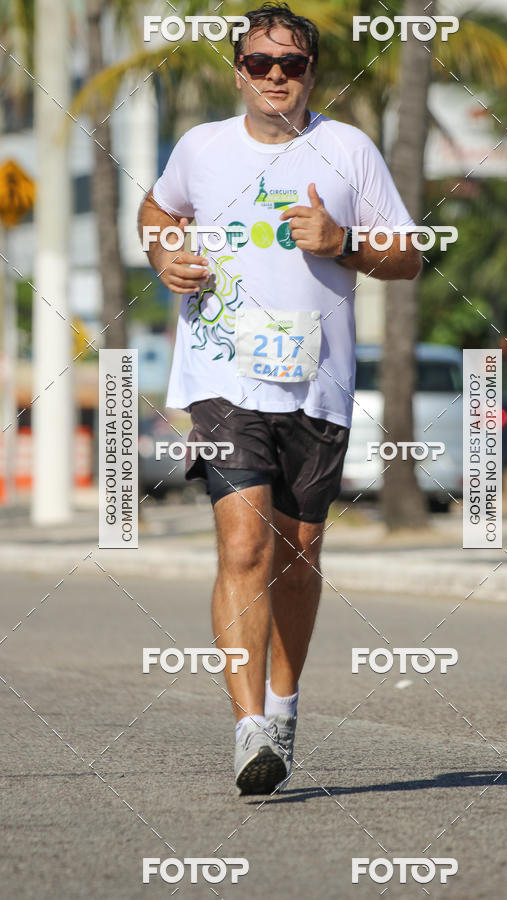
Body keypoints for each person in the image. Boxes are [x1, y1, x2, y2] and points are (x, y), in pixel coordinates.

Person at [138, 1, 421, 795]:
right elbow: (158, 209)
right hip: (223, 378)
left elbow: (407, 257)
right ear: (239, 71)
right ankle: (248, 728)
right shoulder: (201, 147)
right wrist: (165, 252)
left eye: (289, 65)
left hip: (318, 386)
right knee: (245, 548)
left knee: (297, 559)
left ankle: (284, 706)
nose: (273, 77)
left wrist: (344, 245)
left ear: (311, 73)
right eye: (258, 63)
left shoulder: (348, 151)